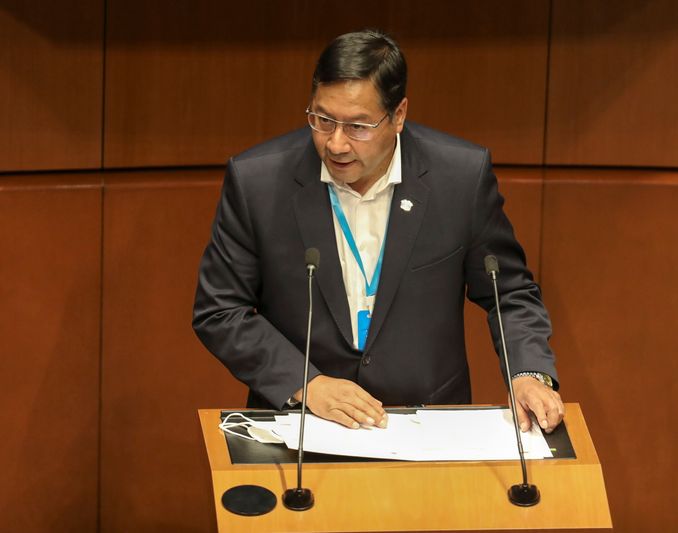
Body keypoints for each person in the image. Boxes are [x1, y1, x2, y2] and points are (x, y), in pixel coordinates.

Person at [193, 29, 564, 434]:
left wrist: (528, 371)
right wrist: (306, 383)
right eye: (322, 120)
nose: (335, 144)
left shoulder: (459, 178)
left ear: (399, 115)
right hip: (304, 424)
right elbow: (219, 311)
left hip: (427, 426)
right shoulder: (258, 182)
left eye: (358, 127)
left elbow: (507, 290)